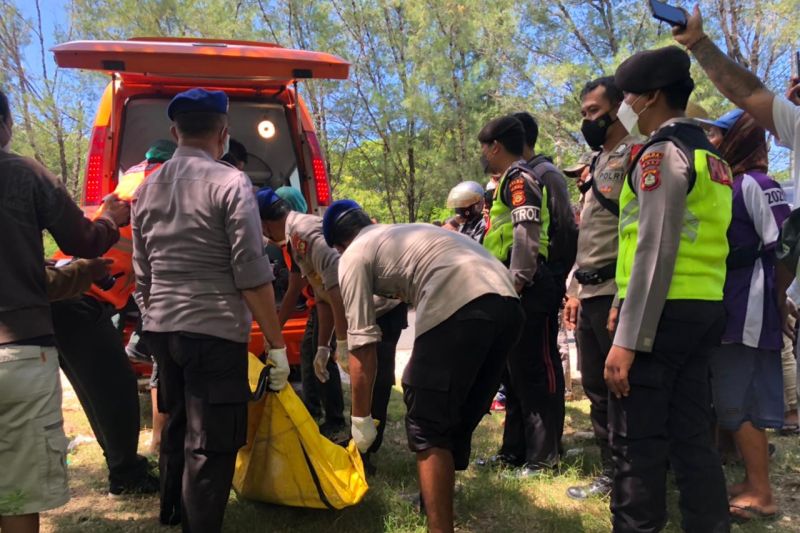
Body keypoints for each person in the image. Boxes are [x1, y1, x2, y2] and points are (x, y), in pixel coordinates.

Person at [132, 88, 287, 531]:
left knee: (177, 424)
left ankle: (172, 511)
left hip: (164, 329)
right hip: (215, 333)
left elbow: (143, 274)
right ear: (223, 133)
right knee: (211, 442)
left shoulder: (146, 189)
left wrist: (154, 315)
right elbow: (251, 271)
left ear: (174, 131)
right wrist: (275, 344)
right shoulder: (230, 182)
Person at [322, 200, 523, 533]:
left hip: (460, 298)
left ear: (339, 245)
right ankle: (434, 497)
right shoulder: (399, 233)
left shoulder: (353, 255)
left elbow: (362, 346)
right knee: (453, 413)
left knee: (427, 417)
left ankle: (439, 527)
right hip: (508, 303)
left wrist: (360, 421)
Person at [604, 46, 733, 532]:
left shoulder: (661, 153)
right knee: (692, 438)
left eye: (630, 96)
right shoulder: (712, 156)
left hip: (661, 316)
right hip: (703, 308)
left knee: (636, 441)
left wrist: (627, 340)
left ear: (651, 97)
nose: (626, 106)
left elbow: (654, 248)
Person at [0, 87, 129, 533]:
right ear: (6, 125)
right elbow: (84, 241)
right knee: (17, 491)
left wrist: (81, 273)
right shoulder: (24, 174)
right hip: (19, 353)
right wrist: (110, 217)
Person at [51, 139, 176, 489]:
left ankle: (123, 467)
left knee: (98, 390)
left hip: (66, 295)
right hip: (78, 297)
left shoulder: (133, 179)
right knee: (116, 386)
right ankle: (126, 474)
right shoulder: (161, 181)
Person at [701, 109, 790, 521]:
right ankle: (752, 481)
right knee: (730, 395)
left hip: (749, 306)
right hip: (730, 303)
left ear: (740, 138)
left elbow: (785, 246)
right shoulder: (728, 184)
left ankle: (762, 492)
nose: (711, 142)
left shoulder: (756, 184)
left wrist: (778, 298)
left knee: (743, 398)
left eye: (719, 136)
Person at [563, 76, 644, 501]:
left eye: (594, 112)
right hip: (589, 290)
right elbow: (589, 234)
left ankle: (632, 474)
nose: (588, 121)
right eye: (584, 114)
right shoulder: (596, 162)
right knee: (594, 384)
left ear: (619, 109)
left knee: (621, 387)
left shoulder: (638, 154)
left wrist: (623, 295)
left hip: (617, 289)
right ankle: (612, 468)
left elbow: (638, 230)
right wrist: (574, 288)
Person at [478, 115, 564, 475]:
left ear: (495, 146)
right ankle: (513, 450)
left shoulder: (520, 179)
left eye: (483, 147)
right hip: (511, 286)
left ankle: (544, 457)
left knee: (534, 372)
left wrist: (516, 284)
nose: (482, 154)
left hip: (527, 287)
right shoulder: (505, 182)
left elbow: (526, 236)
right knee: (512, 374)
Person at [672, 6, 800, 193]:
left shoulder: (756, 185)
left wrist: (697, 41)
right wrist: (696, 41)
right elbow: (748, 93)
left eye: (716, 134)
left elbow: (749, 94)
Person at [257, 187, 349, 439]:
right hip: (327, 305)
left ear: (265, 224)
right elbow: (312, 291)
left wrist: (341, 339)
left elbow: (335, 282)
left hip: (352, 304)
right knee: (312, 354)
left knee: (331, 362)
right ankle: (314, 414)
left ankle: (338, 424)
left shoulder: (303, 233)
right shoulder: (293, 238)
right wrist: (274, 331)